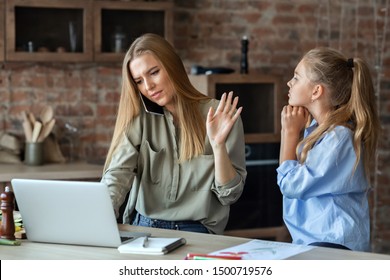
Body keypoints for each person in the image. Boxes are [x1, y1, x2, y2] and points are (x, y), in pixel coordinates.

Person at [101, 33, 247, 234]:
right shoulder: (140, 119)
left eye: (153, 72)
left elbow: (229, 196)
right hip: (145, 226)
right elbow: (117, 174)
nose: (148, 86)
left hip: (198, 230)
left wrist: (218, 145)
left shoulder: (220, 115)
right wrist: (100, 213)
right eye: (139, 81)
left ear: (173, 66)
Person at [276, 47, 380, 251]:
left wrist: (288, 134)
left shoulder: (339, 138)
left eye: (296, 77)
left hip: (333, 245)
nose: (289, 82)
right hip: (316, 243)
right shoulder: (318, 133)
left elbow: (291, 186)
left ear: (316, 91)